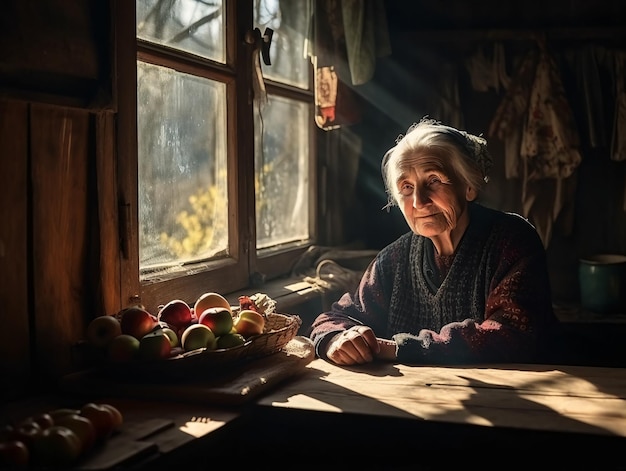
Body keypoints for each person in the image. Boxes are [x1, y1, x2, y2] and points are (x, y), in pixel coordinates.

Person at [309, 118, 563, 366]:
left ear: (469, 185)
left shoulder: (512, 241)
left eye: (433, 180)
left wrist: (401, 348)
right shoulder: (394, 259)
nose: (419, 201)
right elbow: (335, 318)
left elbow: (512, 334)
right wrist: (337, 338)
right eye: (406, 187)